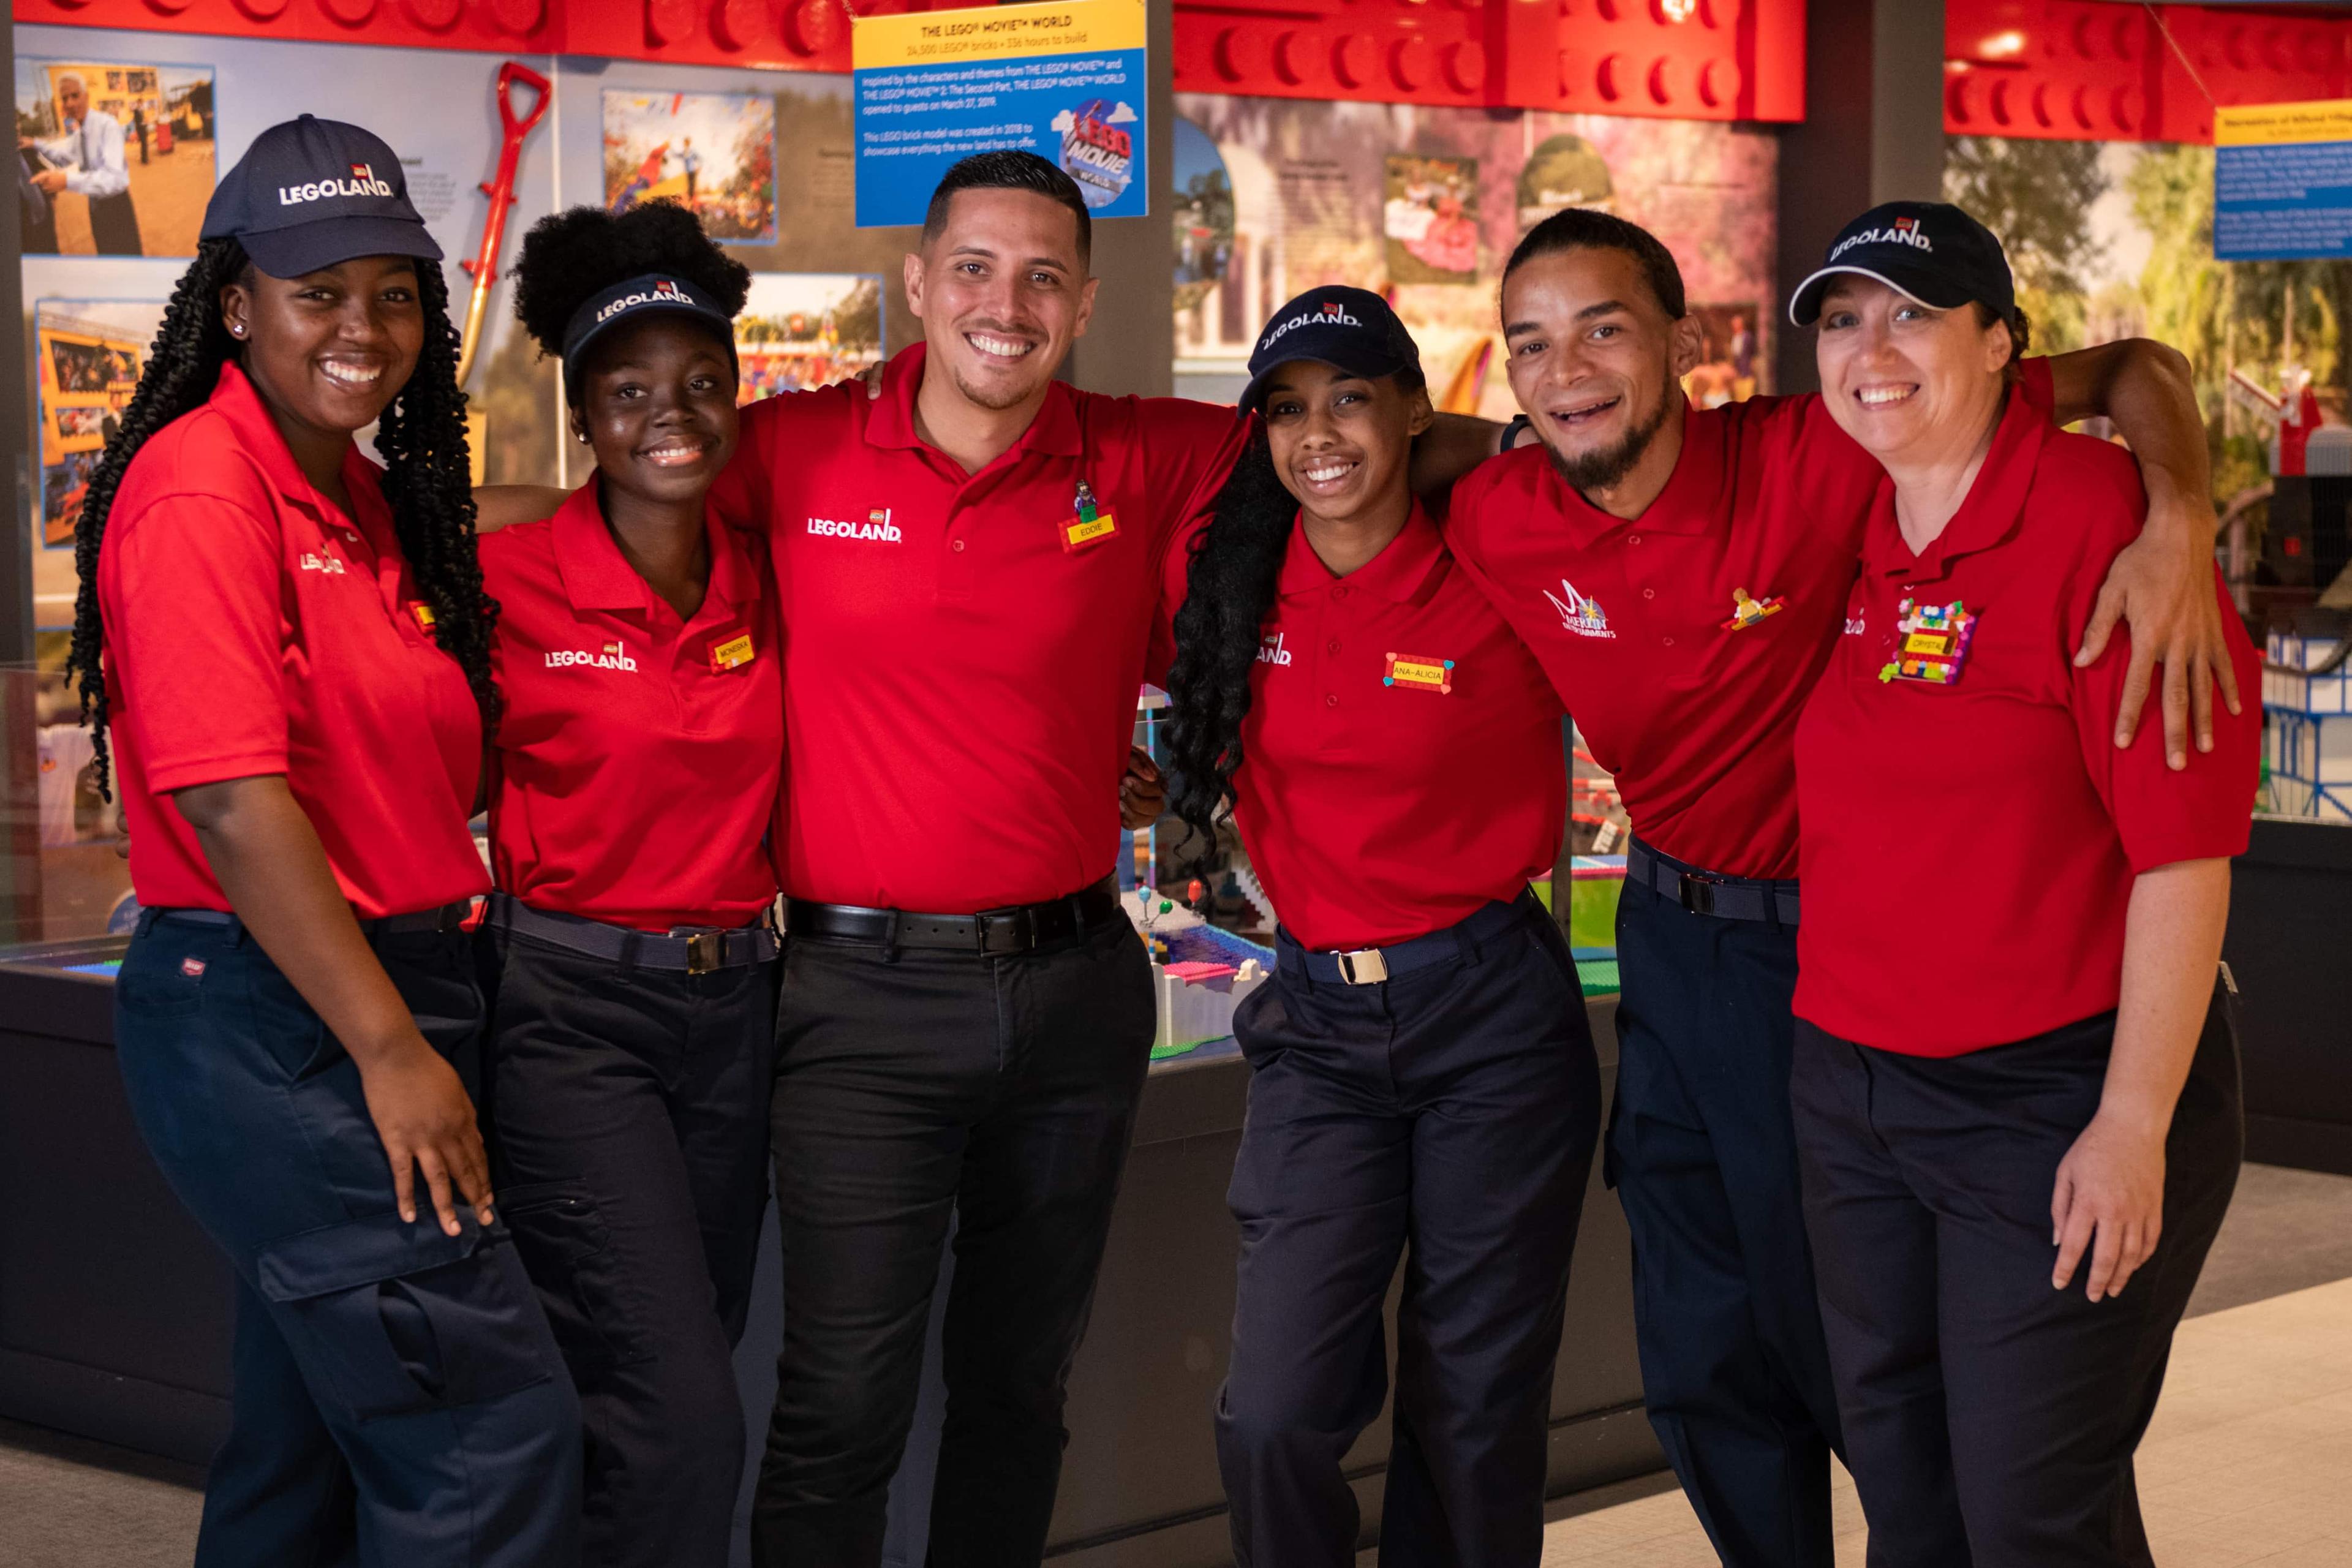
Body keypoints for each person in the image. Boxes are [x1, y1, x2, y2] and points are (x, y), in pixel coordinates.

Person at [476, 148, 1496, 1566]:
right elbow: (617, 494)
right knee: (839, 1401)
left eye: (1038, 277)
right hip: (853, 1006)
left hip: (1074, 987)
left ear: (1079, 304)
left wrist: (1519, 446)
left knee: (1018, 1392)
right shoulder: (795, 448)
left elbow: (1370, 441)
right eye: (972, 268)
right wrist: (440, 521)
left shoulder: (1145, 453)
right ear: (916, 284)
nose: (1000, 304)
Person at [1439, 206, 2237, 1568]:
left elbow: (2133, 370)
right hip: (1731, 974)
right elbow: (1391, 451)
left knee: (1994, 1456)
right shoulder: (1522, 503)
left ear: (1680, 344)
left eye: (1605, 330)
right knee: (1736, 1359)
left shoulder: (1853, 453)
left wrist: (2180, 507)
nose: (1568, 367)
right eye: (1534, 344)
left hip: (1906, 1000)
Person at [67, 115, 579, 1565]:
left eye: (395, 292)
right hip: (289, 1019)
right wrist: (389, 1049)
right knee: (485, 1434)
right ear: (235, 304)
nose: (364, 327)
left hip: (382, 993)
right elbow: (232, 800)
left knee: (303, 1444)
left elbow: (499, 552)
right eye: (318, 292)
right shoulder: (199, 483)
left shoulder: (358, 494)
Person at [1784, 202, 2259, 1567]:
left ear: (2003, 346)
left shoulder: (2107, 528)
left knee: (2028, 1505)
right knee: (1910, 1489)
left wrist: (2129, 1120)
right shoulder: (1856, 505)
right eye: (1842, 316)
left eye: (1915, 312)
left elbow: (2185, 852)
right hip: (1856, 1090)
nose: (1873, 348)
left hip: (2050, 1097)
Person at [1161, 288, 1601, 1567]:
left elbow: (1584, 467)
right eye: (1288, 409)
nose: (1320, 433)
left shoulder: (1499, 553)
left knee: (1472, 1409)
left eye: (1352, 395)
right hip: (1319, 1025)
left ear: (1417, 407)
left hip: (1493, 1015)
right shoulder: (1236, 573)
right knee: (1272, 1410)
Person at [480, 200, 780, 1568]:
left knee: (668, 1375)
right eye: (631, 390)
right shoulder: (503, 577)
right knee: (680, 1411)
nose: (674, 413)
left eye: (703, 384)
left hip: (740, 1017)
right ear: (583, 413)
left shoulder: (778, 584)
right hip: (573, 1017)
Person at [23, 71, 141, 255]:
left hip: (116, 208)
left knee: (127, 258)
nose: (70, 103)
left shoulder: (107, 125)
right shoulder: (80, 134)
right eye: (65, 98)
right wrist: (36, 144)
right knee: (106, 255)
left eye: (75, 96)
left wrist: (66, 182)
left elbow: (114, 179)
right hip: (96, 207)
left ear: (87, 96)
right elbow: (62, 157)